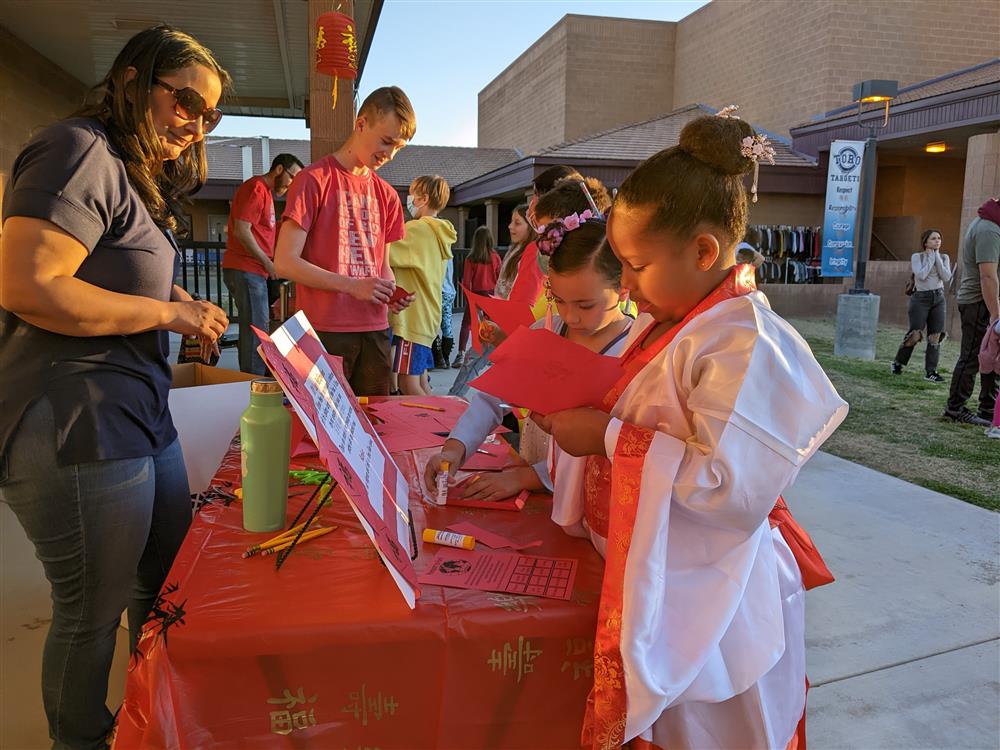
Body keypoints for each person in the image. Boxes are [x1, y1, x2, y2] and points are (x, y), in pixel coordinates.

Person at [530, 113, 848, 748]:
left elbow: (727, 487)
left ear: (704, 251)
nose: (628, 286)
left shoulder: (744, 341)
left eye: (638, 265)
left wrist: (605, 437)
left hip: (715, 600)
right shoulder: (678, 321)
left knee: (709, 727)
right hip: (664, 577)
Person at [0, 26, 230, 748]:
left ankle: (148, 717)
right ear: (133, 80)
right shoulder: (78, 150)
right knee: (90, 613)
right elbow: (28, 284)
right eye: (185, 99)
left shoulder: (128, 171)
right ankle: (83, 739)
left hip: (134, 413)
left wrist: (178, 317)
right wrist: (168, 310)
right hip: (76, 419)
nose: (195, 122)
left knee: (159, 584)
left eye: (210, 115)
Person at [425, 219, 633, 509]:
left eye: (585, 305)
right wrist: (454, 450)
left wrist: (529, 478)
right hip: (532, 492)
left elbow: (625, 448)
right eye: (559, 300)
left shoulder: (635, 352)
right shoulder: (543, 333)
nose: (571, 317)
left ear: (624, 287)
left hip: (598, 506)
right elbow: (491, 400)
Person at [274, 86, 416, 396]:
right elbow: (284, 261)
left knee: (376, 426)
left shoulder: (388, 195)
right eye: (387, 141)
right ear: (361, 124)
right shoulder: (313, 180)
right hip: (324, 330)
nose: (389, 154)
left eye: (399, 148)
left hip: (376, 329)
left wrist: (390, 291)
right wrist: (352, 285)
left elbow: (383, 265)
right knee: (322, 433)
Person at [222, 153, 304, 374]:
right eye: (292, 177)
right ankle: (253, 386)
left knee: (257, 327)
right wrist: (268, 264)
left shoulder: (265, 193)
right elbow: (241, 230)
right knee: (256, 330)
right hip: (246, 269)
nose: (291, 185)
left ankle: (253, 381)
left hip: (253, 271)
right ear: (279, 169)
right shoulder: (256, 188)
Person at [388, 175, 456, 395]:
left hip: (412, 319)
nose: (408, 199)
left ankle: (427, 427)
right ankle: (437, 425)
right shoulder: (440, 232)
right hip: (428, 317)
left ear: (423, 198)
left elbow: (384, 252)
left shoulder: (417, 230)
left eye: (412, 194)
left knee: (408, 383)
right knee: (423, 380)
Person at [944, 198, 1000, 425]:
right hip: (979, 302)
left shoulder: (992, 222)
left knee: (992, 357)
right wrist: (996, 314)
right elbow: (987, 275)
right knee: (972, 356)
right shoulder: (989, 228)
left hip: (989, 301)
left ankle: (988, 409)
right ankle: (955, 408)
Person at [891, 229, 953, 382]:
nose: (937, 241)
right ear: (925, 242)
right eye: (933, 238)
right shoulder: (917, 257)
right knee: (915, 334)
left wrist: (936, 256)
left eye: (939, 238)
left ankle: (931, 372)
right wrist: (931, 258)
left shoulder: (944, 257)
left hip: (938, 298)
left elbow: (946, 276)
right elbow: (921, 275)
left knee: (935, 336)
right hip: (920, 298)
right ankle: (898, 362)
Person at [455, 226, 501, 362]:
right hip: (491, 295)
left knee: (466, 324)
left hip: (475, 294)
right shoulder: (495, 257)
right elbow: (500, 279)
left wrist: (468, 298)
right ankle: (491, 355)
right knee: (491, 325)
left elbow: (467, 281)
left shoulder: (471, 259)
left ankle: (461, 353)